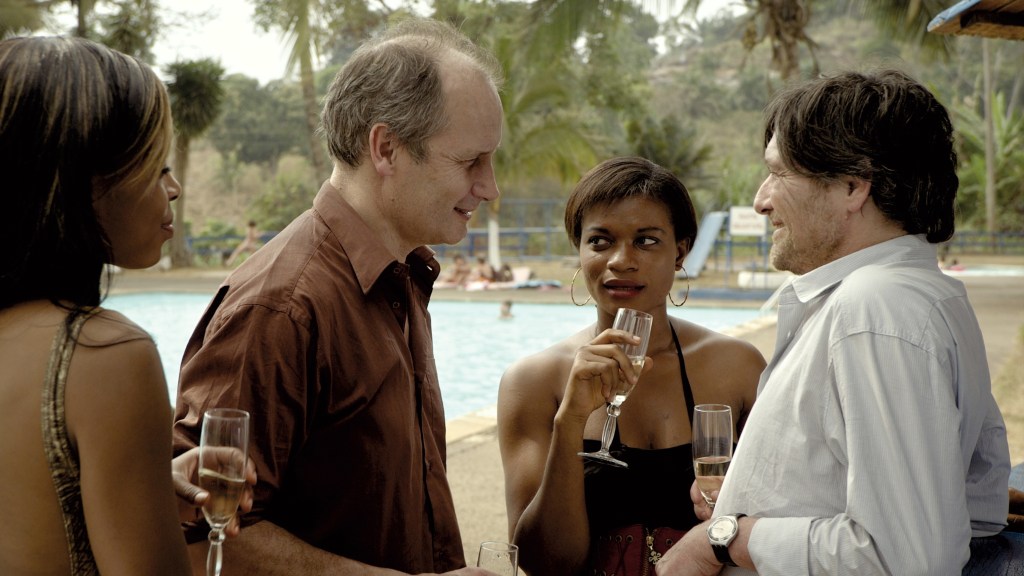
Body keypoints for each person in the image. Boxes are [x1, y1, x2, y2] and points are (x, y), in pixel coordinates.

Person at [171, 17, 504, 575]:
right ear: (386, 148)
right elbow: (206, 537)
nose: (490, 187)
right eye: (471, 161)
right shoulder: (281, 308)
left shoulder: (400, 278)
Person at [655, 70, 1011, 576]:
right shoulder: (922, 297)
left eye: (779, 173)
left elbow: (905, 559)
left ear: (852, 186)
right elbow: (978, 497)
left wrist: (724, 539)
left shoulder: (876, 310)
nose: (761, 200)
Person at [0, 35, 238, 575]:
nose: (173, 188)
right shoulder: (105, 357)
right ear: (82, 179)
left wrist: (149, 485)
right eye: (155, 165)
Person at [497, 157, 765, 575]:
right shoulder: (534, 382)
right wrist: (570, 420)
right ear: (579, 250)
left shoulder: (737, 368)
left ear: (680, 252)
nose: (621, 260)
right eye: (600, 241)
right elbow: (543, 564)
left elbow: (779, 517)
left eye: (646, 240)